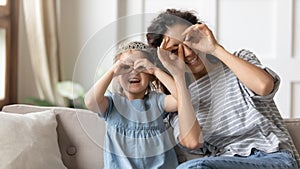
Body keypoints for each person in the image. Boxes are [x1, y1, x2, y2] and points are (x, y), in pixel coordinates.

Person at [146, 8, 300, 169]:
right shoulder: (179, 98)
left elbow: (264, 86)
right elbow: (192, 141)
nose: (188, 52)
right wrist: (177, 76)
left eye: (190, 39)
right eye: (175, 50)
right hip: (223, 162)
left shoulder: (239, 60)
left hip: (273, 157)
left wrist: (214, 48)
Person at [84, 41, 179, 169]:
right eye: (126, 68)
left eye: (141, 67)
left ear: (150, 77)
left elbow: (181, 100)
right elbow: (90, 102)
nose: (134, 72)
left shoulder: (156, 102)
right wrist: (112, 71)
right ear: (117, 76)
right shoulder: (112, 105)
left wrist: (156, 70)